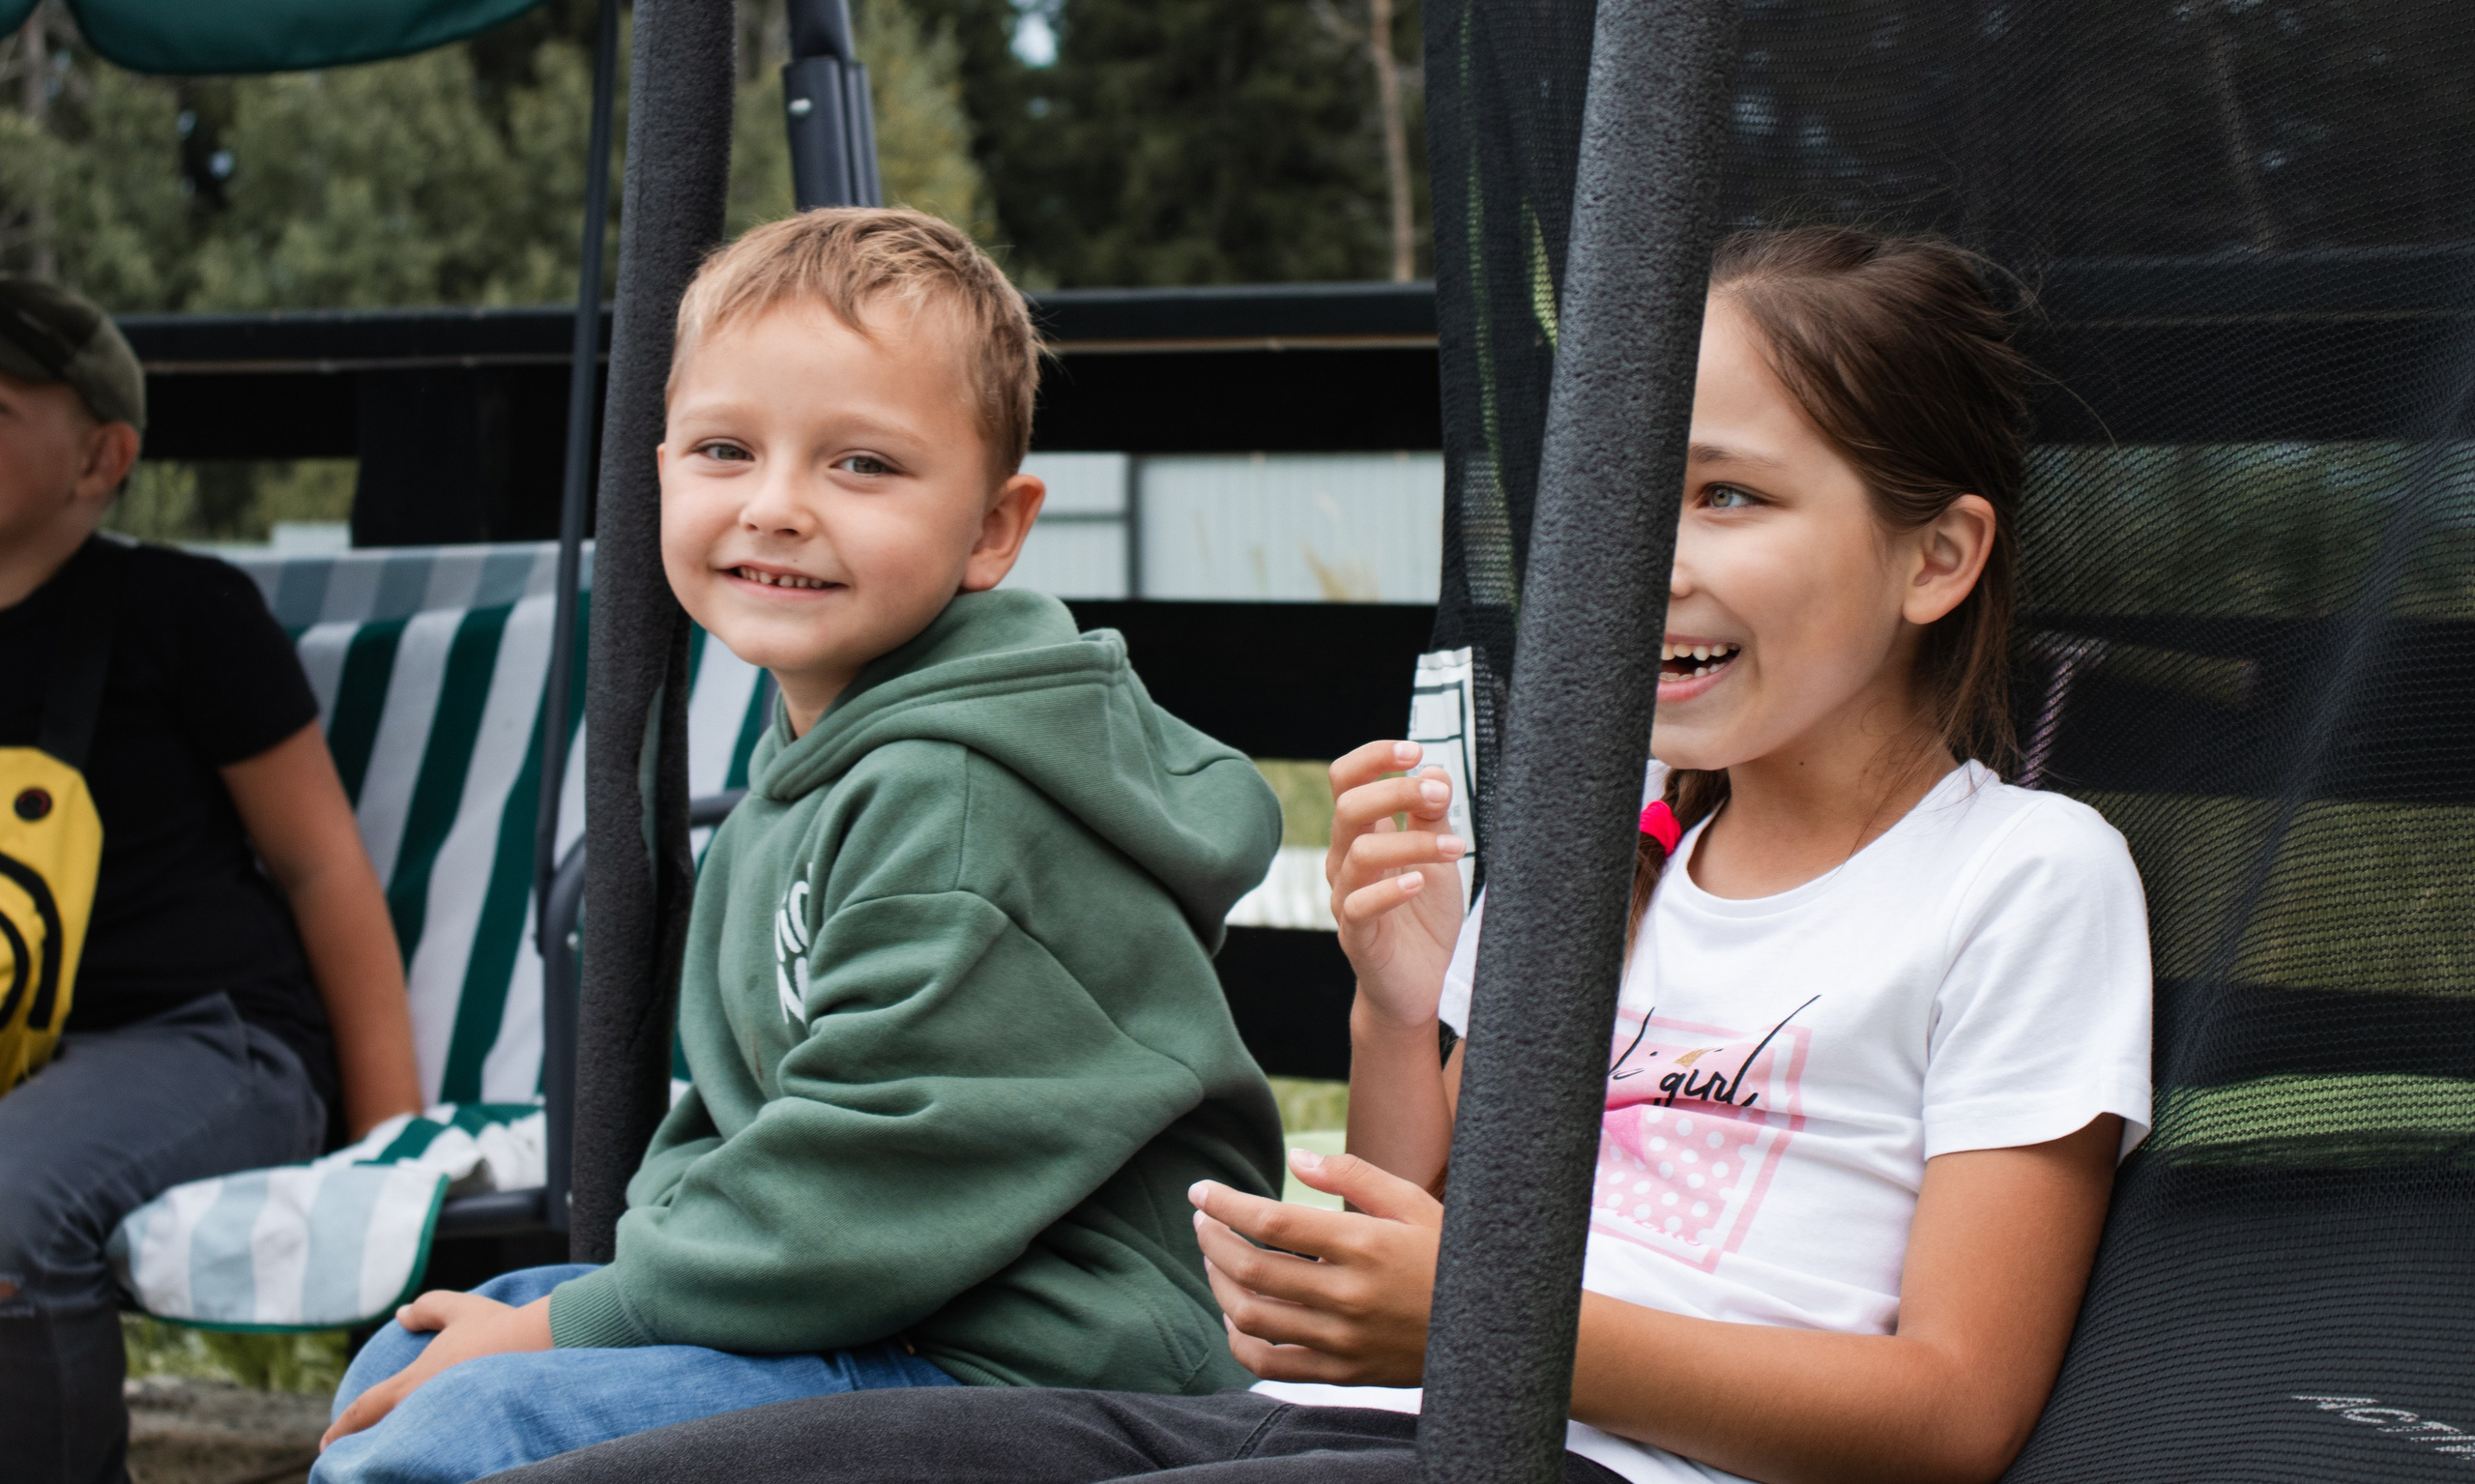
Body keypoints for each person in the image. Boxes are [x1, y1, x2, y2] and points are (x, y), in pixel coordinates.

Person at [483, 225, 2155, 1484]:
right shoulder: (1622, 857)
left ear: (1937, 556)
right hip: (1332, 1419)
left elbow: (1953, 1409)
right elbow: (1418, 1226)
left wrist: (1479, 1320)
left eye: (1726, 496)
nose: (1645, 557)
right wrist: (1395, 1005)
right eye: (1624, 494)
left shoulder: (2020, 877)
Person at [310, 208, 1287, 1484]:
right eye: (725, 449)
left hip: (1035, 1358)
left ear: (993, 529)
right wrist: (589, 1306)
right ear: (662, 470)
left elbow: (871, 1177)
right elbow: (743, 1119)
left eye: (862, 465)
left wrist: (569, 1330)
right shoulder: (826, 761)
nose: (774, 507)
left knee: (468, 1425)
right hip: (875, 1301)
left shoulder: (955, 799)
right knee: (414, 1355)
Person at [0, 276, 422, 1484]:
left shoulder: (181, 612)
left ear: (101, 458)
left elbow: (320, 868)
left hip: (206, 1044)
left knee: (8, 1205)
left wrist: (393, 1145)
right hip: (23, 1056)